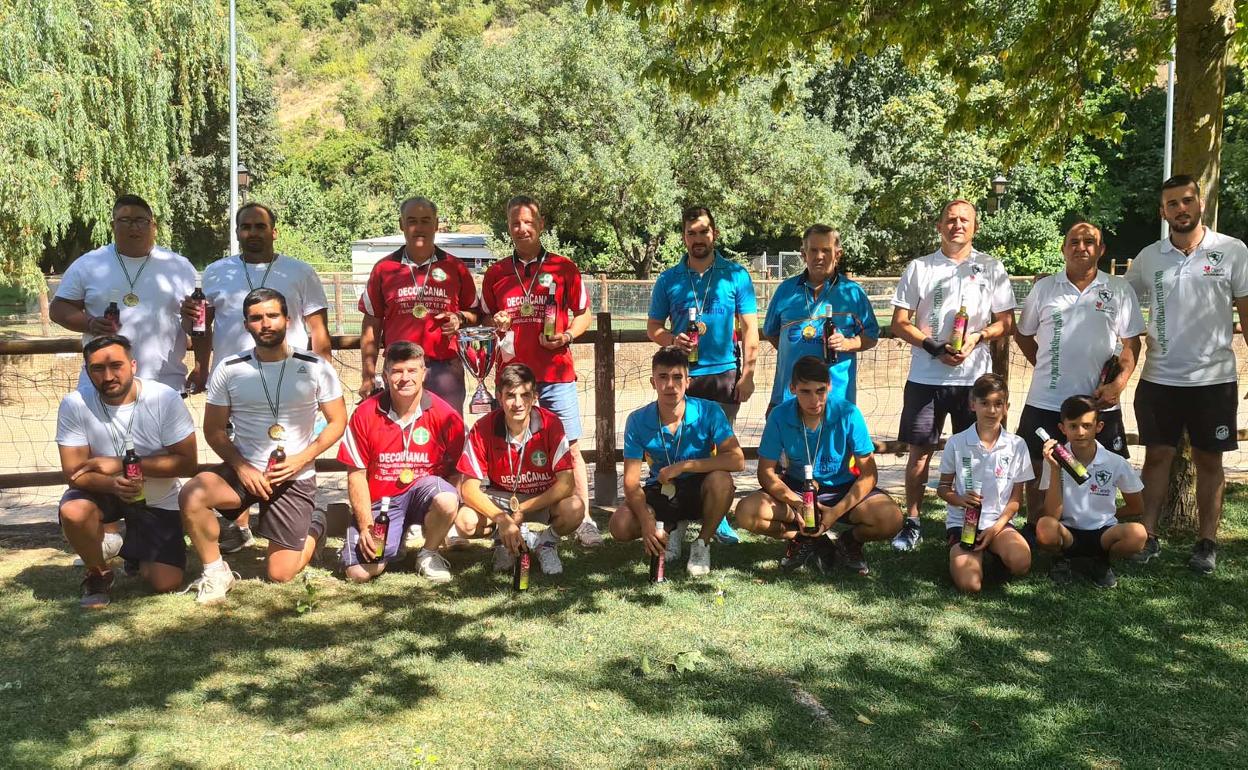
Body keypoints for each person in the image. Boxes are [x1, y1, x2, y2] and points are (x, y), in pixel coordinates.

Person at [178, 288, 346, 603]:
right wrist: (242, 467)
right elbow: (213, 431)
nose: (265, 323)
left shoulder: (314, 366)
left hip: (293, 476)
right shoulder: (229, 368)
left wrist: (301, 459)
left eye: (272, 315)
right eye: (256, 318)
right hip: (245, 471)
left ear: (288, 319)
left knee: (280, 575)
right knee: (192, 494)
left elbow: (337, 421)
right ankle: (216, 572)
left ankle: (316, 524)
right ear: (246, 325)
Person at [191, 202, 331, 553]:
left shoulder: (299, 271)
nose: (252, 233)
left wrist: (321, 374)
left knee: (284, 452)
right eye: (245, 227)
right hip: (236, 379)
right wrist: (202, 366)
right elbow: (201, 326)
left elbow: (318, 329)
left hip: (292, 380)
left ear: (274, 231)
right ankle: (238, 527)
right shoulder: (215, 272)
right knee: (238, 452)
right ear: (237, 232)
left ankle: (297, 520)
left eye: (259, 226)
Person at [1125, 174, 1248, 574]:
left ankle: (1207, 543)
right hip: (1158, 377)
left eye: (1187, 200)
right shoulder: (1148, 258)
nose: (1181, 208)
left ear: (1201, 203)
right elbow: (1123, 314)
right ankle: (1148, 536)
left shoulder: (1232, 251)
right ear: (1163, 212)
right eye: (1172, 203)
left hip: (1214, 380)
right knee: (1157, 456)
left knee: (1209, 460)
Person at [889, 200, 1017, 552]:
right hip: (926, 379)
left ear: (975, 227)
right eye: (950, 220)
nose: (957, 225)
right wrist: (933, 347)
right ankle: (912, 521)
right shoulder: (919, 267)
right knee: (919, 454)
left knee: (975, 455)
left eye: (965, 220)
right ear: (939, 226)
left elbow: (1007, 322)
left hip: (974, 381)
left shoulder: (991, 267)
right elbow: (899, 323)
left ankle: (974, 521)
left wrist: (977, 337)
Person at [480, 194, 602, 547]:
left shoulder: (564, 268)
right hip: (513, 380)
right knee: (505, 450)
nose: (522, 228)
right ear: (508, 227)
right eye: (515, 223)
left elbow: (584, 314)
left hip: (555, 375)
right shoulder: (497, 272)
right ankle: (505, 522)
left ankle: (585, 520)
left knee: (571, 448)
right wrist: (496, 322)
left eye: (528, 222)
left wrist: (566, 334)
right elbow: (486, 316)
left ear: (541, 224)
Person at [1015, 221, 1143, 532]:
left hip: (1098, 405)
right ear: (1063, 248)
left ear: (1101, 250)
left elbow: (1132, 343)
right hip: (1045, 398)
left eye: (1089, 241)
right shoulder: (1044, 288)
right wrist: (1048, 365)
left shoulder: (1119, 289)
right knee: (1036, 468)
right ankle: (1037, 528)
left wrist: (1118, 384)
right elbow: (1023, 334)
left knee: (1104, 469)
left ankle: (1097, 528)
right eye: (1074, 241)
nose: (1081, 247)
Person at [55, 336, 198, 608]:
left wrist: (122, 463)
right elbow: (74, 473)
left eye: (116, 365)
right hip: (103, 490)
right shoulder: (74, 404)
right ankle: (98, 573)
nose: (108, 376)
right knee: (73, 511)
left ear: (133, 365)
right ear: (87, 372)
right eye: (97, 368)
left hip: (156, 493)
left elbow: (188, 464)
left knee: (164, 582)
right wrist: (113, 485)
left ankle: (135, 551)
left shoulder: (164, 398)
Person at [734, 356, 903, 575]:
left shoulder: (848, 413)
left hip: (841, 488)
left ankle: (848, 542)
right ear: (792, 388)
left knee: (892, 519)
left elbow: (869, 474)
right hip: (796, 488)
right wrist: (796, 504)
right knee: (747, 512)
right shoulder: (779, 415)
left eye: (820, 391)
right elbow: (766, 473)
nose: (814, 400)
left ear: (830, 387)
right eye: (805, 392)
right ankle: (807, 539)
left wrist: (835, 512)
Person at [609, 346, 745, 576]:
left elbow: (737, 460)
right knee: (619, 526)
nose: (670, 385)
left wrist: (685, 466)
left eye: (677, 377)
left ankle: (702, 544)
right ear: (653, 382)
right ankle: (672, 529)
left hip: (699, 488)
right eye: (663, 377)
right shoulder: (637, 420)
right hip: (661, 488)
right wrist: (645, 520)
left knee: (722, 480)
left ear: (688, 381)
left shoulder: (709, 411)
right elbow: (631, 482)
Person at [51, 194, 206, 393]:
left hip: (164, 384)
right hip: (103, 383)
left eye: (141, 220)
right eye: (125, 221)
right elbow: (58, 308)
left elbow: (200, 322)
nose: (134, 227)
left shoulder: (178, 267)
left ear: (154, 226)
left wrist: (201, 366)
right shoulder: (89, 264)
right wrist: (90, 323)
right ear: (113, 225)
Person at [337, 341, 464, 583]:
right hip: (383, 503)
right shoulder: (365, 413)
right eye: (397, 371)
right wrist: (366, 526)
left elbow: (457, 472)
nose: (405, 378)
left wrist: (447, 520)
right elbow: (356, 475)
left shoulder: (446, 415)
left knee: (447, 498)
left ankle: (429, 552)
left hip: (423, 493)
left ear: (424, 373)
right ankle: (394, 536)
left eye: (412, 370)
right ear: (385, 375)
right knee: (360, 573)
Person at [454, 363, 583, 578]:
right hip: (501, 499)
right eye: (510, 395)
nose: (518, 403)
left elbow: (567, 483)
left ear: (534, 397)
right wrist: (502, 519)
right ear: (499, 396)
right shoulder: (483, 427)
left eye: (525, 395)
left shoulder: (551, 424)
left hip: (541, 497)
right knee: (465, 521)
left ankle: (546, 544)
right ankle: (502, 542)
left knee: (575, 507)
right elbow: (468, 489)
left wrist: (522, 508)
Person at [357, 197, 480, 411]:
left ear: (436, 224)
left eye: (425, 220)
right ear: (401, 224)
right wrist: (368, 373)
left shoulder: (455, 267)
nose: (419, 227)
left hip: (445, 369)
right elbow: (371, 324)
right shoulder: (384, 269)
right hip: (400, 368)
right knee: (401, 433)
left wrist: (460, 318)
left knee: (447, 435)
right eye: (412, 221)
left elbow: (476, 314)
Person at [647, 206, 760, 425]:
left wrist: (747, 376)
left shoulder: (736, 275)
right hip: (681, 374)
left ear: (714, 234)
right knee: (684, 444)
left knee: (722, 448)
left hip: (723, 374)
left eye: (703, 232)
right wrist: (672, 340)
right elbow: (653, 327)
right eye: (691, 233)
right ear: (684, 237)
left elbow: (750, 329)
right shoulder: (668, 279)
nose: (698, 239)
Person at [1034, 395, 1147, 588]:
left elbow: (1136, 507)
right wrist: (1054, 469)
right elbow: (1051, 514)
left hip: (1104, 535)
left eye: (1087, 425)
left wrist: (1106, 515)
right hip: (1068, 533)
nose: (1080, 432)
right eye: (1073, 426)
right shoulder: (1054, 460)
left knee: (1138, 533)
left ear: (1099, 427)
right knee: (1045, 526)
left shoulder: (1115, 462)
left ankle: (1101, 563)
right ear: (1062, 429)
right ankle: (1061, 559)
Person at [762, 224, 879, 408]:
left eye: (826, 250)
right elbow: (770, 332)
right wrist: (795, 349)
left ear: (837, 254)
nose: (819, 256)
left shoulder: (852, 293)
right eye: (813, 250)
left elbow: (871, 337)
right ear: (803, 254)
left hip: (836, 400)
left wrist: (847, 344)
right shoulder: (785, 290)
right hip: (789, 399)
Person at [936, 374, 1033, 594]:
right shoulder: (957, 442)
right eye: (985, 403)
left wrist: (996, 528)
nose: (991, 410)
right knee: (970, 585)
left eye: (998, 404)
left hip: (997, 524)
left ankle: (995, 551)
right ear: (973, 405)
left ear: (1006, 407)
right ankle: (965, 552)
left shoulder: (1017, 445)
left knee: (1021, 563)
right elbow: (943, 488)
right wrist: (959, 500)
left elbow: (1016, 500)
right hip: (964, 522)